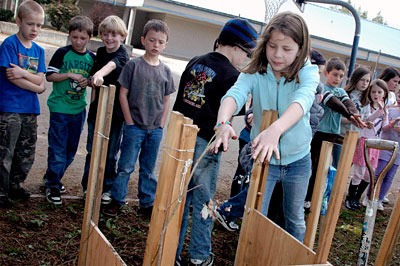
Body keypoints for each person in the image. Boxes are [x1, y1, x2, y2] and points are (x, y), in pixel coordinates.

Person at [212, 11, 320, 242]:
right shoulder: (256, 70)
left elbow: (302, 102)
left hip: (298, 160)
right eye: (272, 46)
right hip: (264, 159)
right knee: (256, 213)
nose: (278, 55)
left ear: (301, 49)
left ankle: (294, 260)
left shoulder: (308, 72)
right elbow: (234, 95)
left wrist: (275, 129)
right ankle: (253, 253)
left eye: (287, 49)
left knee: (295, 219)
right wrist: (223, 122)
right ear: (265, 44)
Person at [173, 18, 258, 265]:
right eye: (247, 53)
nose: (246, 59)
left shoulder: (195, 62)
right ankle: (199, 256)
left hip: (181, 139)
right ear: (236, 46)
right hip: (207, 144)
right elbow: (233, 108)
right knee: (204, 201)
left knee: (180, 199)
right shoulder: (232, 75)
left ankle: (172, 252)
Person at [102, 19, 175, 217]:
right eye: (152, 40)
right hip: (134, 127)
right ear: (143, 40)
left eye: (160, 42)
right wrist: (129, 121)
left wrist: (161, 124)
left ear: (166, 44)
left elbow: (166, 100)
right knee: (125, 166)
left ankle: (147, 203)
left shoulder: (166, 71)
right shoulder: (133, 66)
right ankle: (117, 200)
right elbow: (122, 94)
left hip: (155, 130)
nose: (156, 45)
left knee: (148, 169)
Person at [43, 16, 95, 206]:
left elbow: (94, 80)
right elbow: (49, 76)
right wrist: (69, 75)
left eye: (82, 38)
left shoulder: (92, 58)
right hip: (60, 108)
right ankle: (53, 185)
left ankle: (51, 177)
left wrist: (87, 81)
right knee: (57, 148)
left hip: (78, 109)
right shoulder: (62, 53)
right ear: (69, 36)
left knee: (71, 150)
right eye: (74, 37)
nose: (78, 42)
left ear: (89, 37)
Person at [0, 0, 46, 208]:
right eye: (30, 24)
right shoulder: (10, 44)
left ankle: (15, 185)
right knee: (5, 151)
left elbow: (41, 81)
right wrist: (34, 83)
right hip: (9, 108)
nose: (35, 29)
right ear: (19, 22)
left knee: (25, 151)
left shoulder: (39, 50)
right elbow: (12, 77)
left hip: (30, 109)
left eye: (39, 25)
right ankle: (1, 191)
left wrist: (24, 73)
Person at [81, 15, 130, 203]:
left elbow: (111, 65)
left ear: (122, 37)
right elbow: (93, 77)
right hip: (97, 111)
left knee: (110, 153)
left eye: (114, 35)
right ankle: (88, 185)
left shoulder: (122, 54)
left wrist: (99, 74)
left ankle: (106, 187)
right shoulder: (100, 52)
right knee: (93, 150)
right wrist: (90, 80)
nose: (109, 38)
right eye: (106, 34)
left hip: (115, 115)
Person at [305, 57, 366, 208]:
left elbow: (348, 103)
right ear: (326, 73)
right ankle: (307, 198)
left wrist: (354, 114)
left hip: (334, 134)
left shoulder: (340, 91)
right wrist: (350, 115)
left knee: (329, 168)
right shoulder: (321, 88)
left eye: (340, 76)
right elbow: (334, 103)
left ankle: (321, 197)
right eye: (334, 75)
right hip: (319, 133)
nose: (337, 79)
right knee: (314, 166)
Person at [345, 79, 387, 210]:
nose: (376, 94)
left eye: (379, 92)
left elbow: (384, 127)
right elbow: (367, 120)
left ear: (384, 94)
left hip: (376, 145)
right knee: (359, 172)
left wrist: (391, 122)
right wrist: (378, 113)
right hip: (364, 142)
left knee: (369, 174)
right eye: (373, 91)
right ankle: (350, 198)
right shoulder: (367, 107)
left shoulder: (385, 110)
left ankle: (357, 197)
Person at [365, 86, 400, 211]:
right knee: (379, 172)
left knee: (390, 176)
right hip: (386, 145)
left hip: (398, 150)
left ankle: (379, 199)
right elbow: (384, 127)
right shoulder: (390, 110)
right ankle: (370, 197)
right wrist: (393, 124)